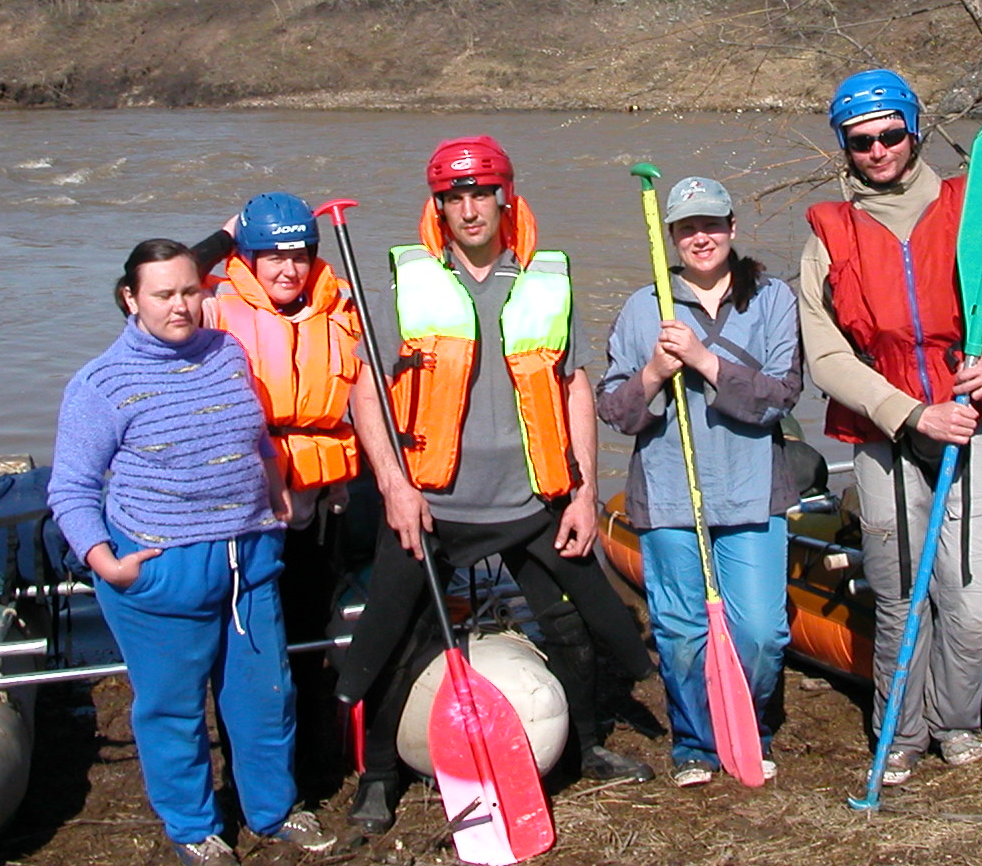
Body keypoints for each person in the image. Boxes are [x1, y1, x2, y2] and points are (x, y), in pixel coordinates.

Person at [334, 135, 656, 832]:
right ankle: (380, 779)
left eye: (483, 193)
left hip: (531, 498)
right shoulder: (407, 280)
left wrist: (580, 490)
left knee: (576, 626)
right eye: (456, 196)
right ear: (439, 206)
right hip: (432, 503)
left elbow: (572, 387)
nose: (470, 208)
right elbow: (367, 392)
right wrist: (392, 483)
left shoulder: (545, 277)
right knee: (399, 639)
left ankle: (588, 744)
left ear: (506, 198)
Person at [798, 69, 982, 788]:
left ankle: (958, 723)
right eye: (862, 141)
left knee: (970, 597)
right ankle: (903, 734)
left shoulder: (973, 209)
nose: (878, 150)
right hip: (887, 438)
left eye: (891, 134)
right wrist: (911, 412)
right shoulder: (829, 235)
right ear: (845, 148)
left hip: (977, 428)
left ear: (914, 131)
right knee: (898, 596)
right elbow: (825, 356)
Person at [49, 239, 335, 866]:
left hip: (248, 567)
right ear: (131, 299)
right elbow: (70, 488)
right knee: (173, 715)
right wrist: (106, 562)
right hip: (157, 575)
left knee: (265, 701)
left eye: (189, 290)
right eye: (163, 294)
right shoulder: (100, 384)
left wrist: (275, 485)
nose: (180, 306)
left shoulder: (226, 352)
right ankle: (193, 829)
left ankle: (275, 812)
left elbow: (255, 436)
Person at [596, 176, 800, 787]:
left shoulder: (772, 300)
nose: (701, 237)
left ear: (732, 229)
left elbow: (782, 396)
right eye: (687, 228)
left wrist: (707, 362)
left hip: (751, 492)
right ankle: (695, 744)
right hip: (668, 494)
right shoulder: (643, 307)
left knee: (762, 632)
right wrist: (655, 373)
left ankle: (751, 727)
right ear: (672, 240)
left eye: (711, 224)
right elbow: (615, 409)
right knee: (681, 632)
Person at [194, 194, 364, 759]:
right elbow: (139, 293)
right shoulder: (213, 306)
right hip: (246, 500)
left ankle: (314, 736)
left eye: (298, 255)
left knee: (310, 617)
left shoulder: (339, 302)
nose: (288, 269)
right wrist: (219, 239)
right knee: (250, 634)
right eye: (271, 257)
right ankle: (251, 744)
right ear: (248, 258)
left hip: (319, 494)